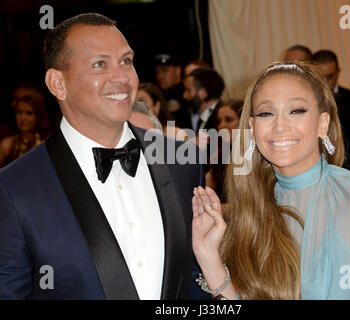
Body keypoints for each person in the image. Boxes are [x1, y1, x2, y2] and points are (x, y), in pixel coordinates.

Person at [0, 13, 203, 300]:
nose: (122, 77)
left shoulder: (182, 160)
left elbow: (195, 278)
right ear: (58, 83)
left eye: (126, 61)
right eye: (100, 64)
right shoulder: (13, 189)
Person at [192, 61, 350, 300]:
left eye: (296, 111)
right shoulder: (253, 208)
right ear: (252, 127)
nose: (280, 126)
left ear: (323, 123)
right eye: (266, 113)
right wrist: (208, 257)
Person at [312, 50, 350, 171]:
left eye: (330, 76)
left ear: (338, 72)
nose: (325, 82)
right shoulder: (305, 102)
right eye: (320, 76)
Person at [206, 99, 243, 200]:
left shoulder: (256, 155)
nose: (221, 126)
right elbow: (204, 192)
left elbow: (253, 204)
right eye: (219, 121)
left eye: (229, 120)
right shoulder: (219, 158)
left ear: (244, 122)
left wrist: (220, 209)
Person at [0, 95, 50, 168]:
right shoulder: (7, 144)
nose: (23, 118)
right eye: (19, 113)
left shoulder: (47, 144)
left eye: (29, 113)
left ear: (38, 116)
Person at [154, 53, 192, 130]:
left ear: (178, 71)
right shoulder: (159, 95)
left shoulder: (188, 92)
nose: (160, 76)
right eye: (158, 72)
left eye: (164, 71)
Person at [183, 68, 225, 134]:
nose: (184, 95)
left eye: (188, 90)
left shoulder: (221, 118)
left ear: (203, 93)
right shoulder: (202, 118)